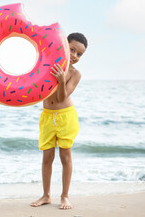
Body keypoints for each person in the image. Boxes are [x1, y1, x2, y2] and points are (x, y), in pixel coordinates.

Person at [31, 33, 88, 209]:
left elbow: (62, 96)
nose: (75, 56)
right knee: (47, 157)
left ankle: (64, 196)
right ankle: (46, 195)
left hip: (65, 116)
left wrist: (61, 80)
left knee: (65, 157)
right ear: (64, 45)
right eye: (72, 50)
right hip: (47, 116)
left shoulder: (75, 74)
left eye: (79, 54)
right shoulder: (48, 64)